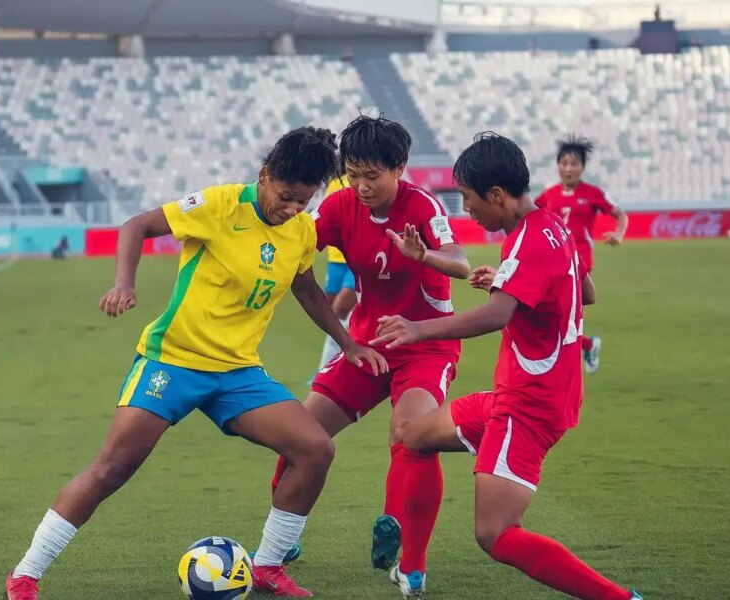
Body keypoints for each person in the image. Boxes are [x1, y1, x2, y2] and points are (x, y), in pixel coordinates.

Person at [4, 127, 387, 600]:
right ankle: (25, 575)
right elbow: (136, 226)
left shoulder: (302, 231)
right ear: (265, 176)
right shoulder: (219, 205)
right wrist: (125, 282)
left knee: (314, 448)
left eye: (303, 201)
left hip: (238, 372)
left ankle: (268, 567)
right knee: (113, 467)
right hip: (174, 361)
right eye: (286, 197)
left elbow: (305, 288)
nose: (292, 209)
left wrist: (347, 343)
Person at [373, 132, 643, 600]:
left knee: (495, 534)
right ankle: (412, 571)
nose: (466, 210)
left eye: (469, 199)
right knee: (413, 436)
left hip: (529, 406)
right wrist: (510, 280)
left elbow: (498, 315)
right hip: (524, 395)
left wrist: (418, 330)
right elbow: (586, 292)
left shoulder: (529, 241)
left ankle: (622, 599)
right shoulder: (551, 226)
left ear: (497, 194)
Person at [267, 114, 471, 598]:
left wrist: (424, 257)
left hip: (425, 344)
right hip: (366, 343)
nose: (360, 186)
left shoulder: (422, 206)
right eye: (352, 174)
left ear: (399, 168)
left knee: (411, 435)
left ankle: (410, 561)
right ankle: (283, 537)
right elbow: (293, 242)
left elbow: (461, 263)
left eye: (371, 175)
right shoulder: (339, 206)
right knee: (300, 434)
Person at [535, 135, 627, 374]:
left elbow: (620, 215)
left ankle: (564, 361)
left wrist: (619, 234)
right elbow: (529, 217)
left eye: (574, 163)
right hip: (551, 261)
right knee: (552, 313)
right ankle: (587, 345)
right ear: (558, 165)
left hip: (579, 262)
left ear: (583, 167)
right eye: (564, 163)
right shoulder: (549, 194)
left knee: (563, 313)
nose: (568, 168)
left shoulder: (593, 193)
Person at [312, 171, 358, 378]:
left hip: (354, 261)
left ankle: (327, 372)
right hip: (335, 260)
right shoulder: (334, 184)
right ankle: (329, 368)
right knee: (332, 313)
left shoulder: (363, 184)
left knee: (339, 310)